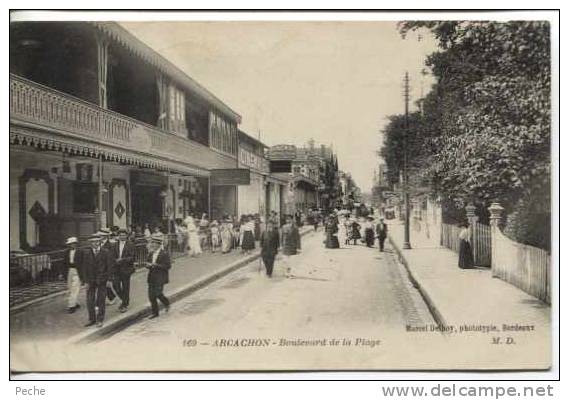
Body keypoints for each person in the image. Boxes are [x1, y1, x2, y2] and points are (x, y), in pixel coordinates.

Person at [83, 233, 113, 328]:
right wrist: (86, 281)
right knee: (90, 300)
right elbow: (84, 268)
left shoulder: (106, 252)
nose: (95, 243)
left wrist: (109, 279)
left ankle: (100, 319)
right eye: (93, 242)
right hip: (91, 280)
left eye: (97, 241)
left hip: (102, 279)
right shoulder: (87, 253)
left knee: (101, 300)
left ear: (100, 242)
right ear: (90, 243)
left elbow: (109, 267)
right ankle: (92, 319)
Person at [146, 235, 171, 319]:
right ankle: (155, 313)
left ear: (159, 244)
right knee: (151, 296)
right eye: (152, 243)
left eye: (154, 243)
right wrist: (148, 265)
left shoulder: (164, 253)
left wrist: (156, 265)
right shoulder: (151, 253)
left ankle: (166, 302)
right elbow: (148, 263)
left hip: (160, 277)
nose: (152, 245)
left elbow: (168, 266)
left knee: (158, 293)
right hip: (152, 276)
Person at [115, 229, 135, 312]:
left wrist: (122, 260)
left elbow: (132, 257)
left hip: (126, 269)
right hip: (116, 269)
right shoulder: (115, 245)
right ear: (118, 236)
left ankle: (124, 304)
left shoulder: (130, 245)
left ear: (126, 236)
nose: (122, 236)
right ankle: (125, 299)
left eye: (124, 235)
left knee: (125, 287)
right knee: (115, 285)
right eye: (120, 235)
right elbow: (111, 256)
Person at [63, 236, 83, 313]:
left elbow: (83, 263)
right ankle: (75, 302)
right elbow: (64, 263)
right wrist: (62, 273)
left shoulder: (80, 251)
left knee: (75, 287)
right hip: (69, 270)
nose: (72, 245)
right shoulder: (66, 252)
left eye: (74, 243)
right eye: (71, 244)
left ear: (76, 244)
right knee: (70, 287)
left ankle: (71, 306)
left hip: (77, 270)